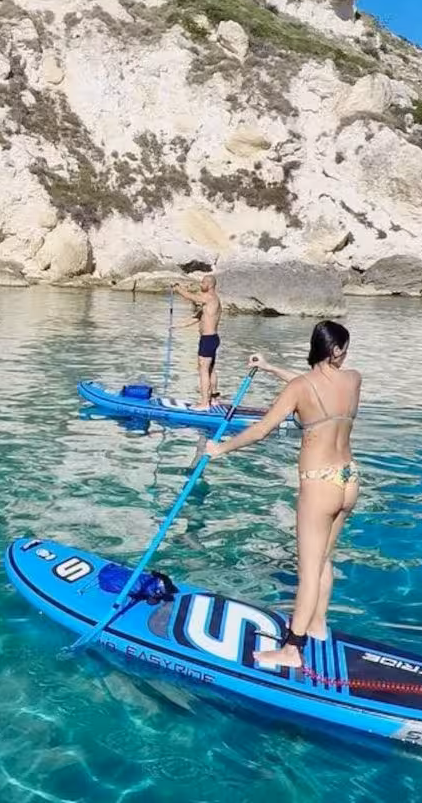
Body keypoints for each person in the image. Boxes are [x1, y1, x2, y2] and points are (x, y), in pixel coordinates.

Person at [203, 320, 360, 670]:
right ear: (335, 351)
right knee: (324, 560)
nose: (347, 354)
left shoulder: (302, 388)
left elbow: (261, 429)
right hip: (349, 480)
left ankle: (293, 648)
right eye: (345, 348)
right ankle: (317, 625)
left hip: (319, 484)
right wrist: (271, 366)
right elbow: (310, 384)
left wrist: (220, 449)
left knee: (307, 570)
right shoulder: (353, 379)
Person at [172, 275, 222, 409]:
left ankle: (205, 403)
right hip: (212, 339)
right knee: (210, 369)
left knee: (203, 369)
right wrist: (177, 326)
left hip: (208, 339)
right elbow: (197, 318)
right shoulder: (211, 302)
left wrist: (179, 289)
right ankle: (214, 399)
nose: (201, 284)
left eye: (203, 282)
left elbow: (191, 297)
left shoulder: (210, 297)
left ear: (210, 284)